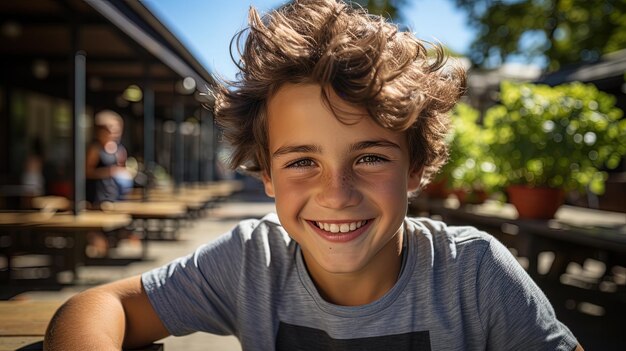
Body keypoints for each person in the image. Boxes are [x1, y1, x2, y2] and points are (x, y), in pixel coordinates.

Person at [44, 1, 582, 350]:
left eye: (370, 157)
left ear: (416, 167)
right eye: (302, 161)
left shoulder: (474, 274)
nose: (336, 193)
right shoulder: (252, 262)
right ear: (267, 175)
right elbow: (97, 304)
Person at [85, 109, 132, 207]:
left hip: (115, 195)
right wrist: (107, 172)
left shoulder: (120, 149)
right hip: (97, 196)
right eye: (111, 128)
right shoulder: (95, 149)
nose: (115, 131)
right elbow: (87, 172)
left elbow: (122, 169)